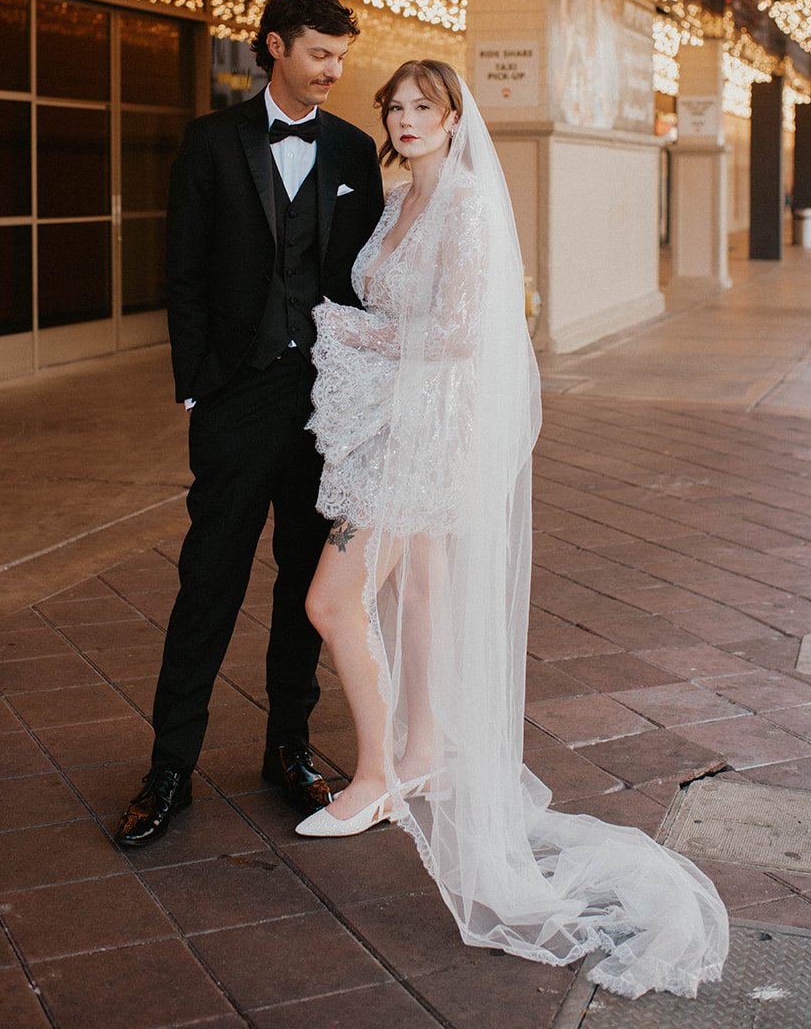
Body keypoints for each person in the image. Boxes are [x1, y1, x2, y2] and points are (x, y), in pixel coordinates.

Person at [294, 60, 729, 1001]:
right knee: (419, 587)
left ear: (456, 118)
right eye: (396, 109)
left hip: (419, 434)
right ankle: (420, 752)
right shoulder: (397, 199)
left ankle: (372, 779)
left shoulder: (470, 206)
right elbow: (391, 302)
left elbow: (455, 333)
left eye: (424, 108)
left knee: (331, 600)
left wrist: (336, 328)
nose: (407, 121)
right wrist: (358, 332)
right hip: (385, 423)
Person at [115, 0, 384, 848]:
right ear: (274, 47)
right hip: (236, 398)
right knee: (210, 582)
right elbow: (183, 270)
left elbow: (363, 281)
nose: (333, 72)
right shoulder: (209, 142)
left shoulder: (351, 150)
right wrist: (198, 385)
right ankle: (170, 766)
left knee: (308, 588)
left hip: (325, 404)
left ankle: (288, 748)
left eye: (341, 58)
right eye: (319, 55)